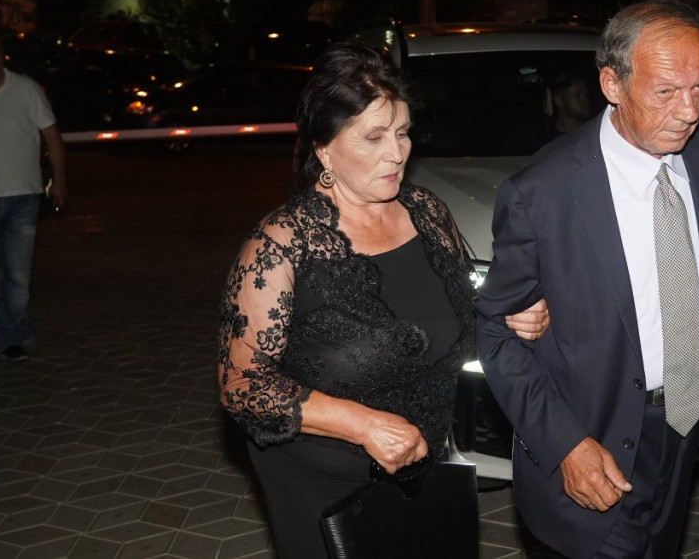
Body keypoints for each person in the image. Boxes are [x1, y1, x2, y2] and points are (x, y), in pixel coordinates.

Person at [476, 0, 699, 558]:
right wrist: (565, 444)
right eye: (666, 92)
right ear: (612, 84)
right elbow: (496, 334)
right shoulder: (543, 191)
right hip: (593, 442)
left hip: (684, 427)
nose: (688, 111)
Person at [216, 43, 549, 558]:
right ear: (324, 150)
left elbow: (457, 307)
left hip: (424, 469)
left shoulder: (426, 212)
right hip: (325, 488)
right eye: (374, 137)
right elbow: (242, 386)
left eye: (403, 132)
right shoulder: (281, 245)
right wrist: (363, 424)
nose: (397, 153)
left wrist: (509, 314)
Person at [0, 29, 67, 361]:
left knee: (18, 274)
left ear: (3, 54)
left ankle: (7, 337)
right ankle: (19, 325)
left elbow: (52, 136)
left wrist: (59, 181)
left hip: (22, 196)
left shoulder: (26, 89)